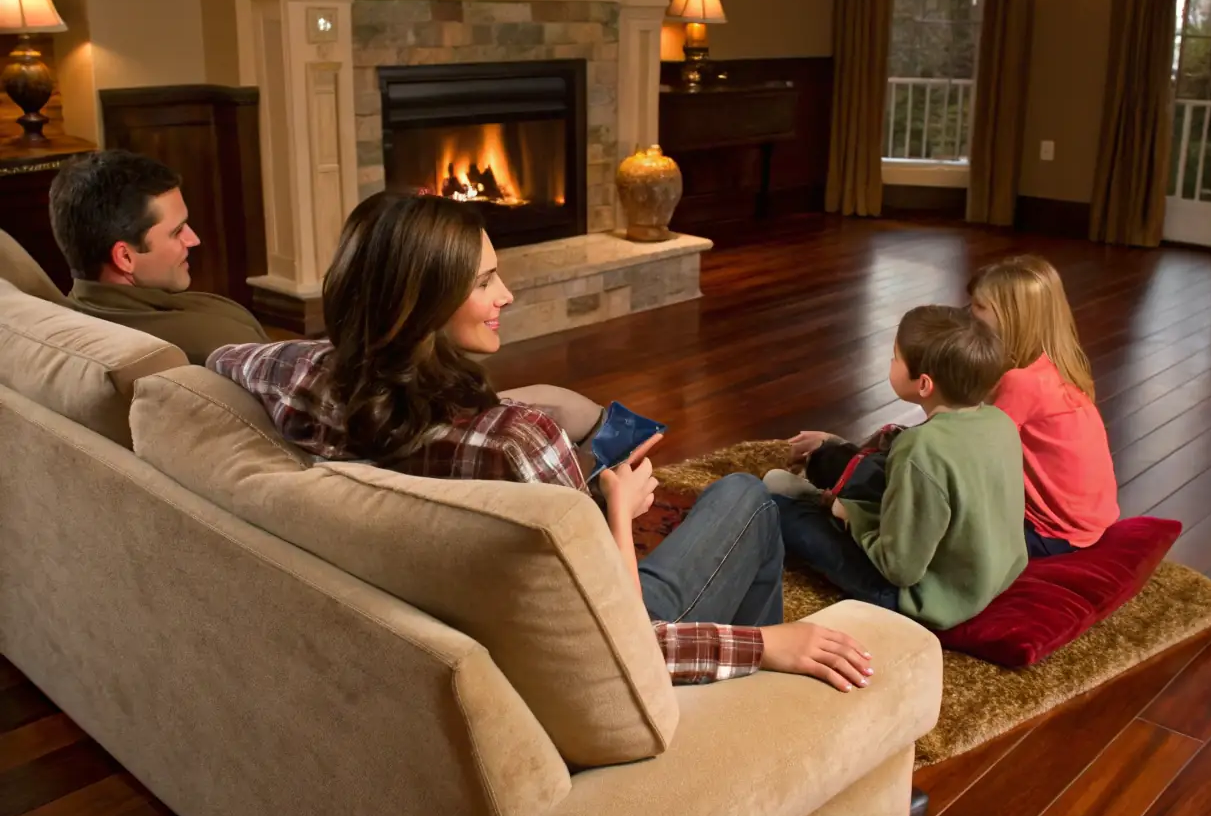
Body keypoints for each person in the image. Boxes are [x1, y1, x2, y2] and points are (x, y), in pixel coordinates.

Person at [209, 191, 874, 692]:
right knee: (743, 498)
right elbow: (616, 634)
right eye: (481, 283)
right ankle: (749, 704)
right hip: (606, 658)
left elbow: (217, 360)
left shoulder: (294, 372)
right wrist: (618, 513)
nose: (506, 292)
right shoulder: (518, 444)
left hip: (444, 602)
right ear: (421, 303)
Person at [770, 305, 1028, 632]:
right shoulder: (999, 421)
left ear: (923, 384)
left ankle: (809, 503)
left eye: (895, 357)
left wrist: (853, 519)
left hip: (923, 600)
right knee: (837, 486)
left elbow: (900, 568)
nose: (890, 362)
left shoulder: (922, 449)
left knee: (774, 508)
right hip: (992, 575)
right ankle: (820, 499)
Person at [48, 150, 268, 364]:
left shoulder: (61, 326)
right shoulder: (222, 343)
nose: (193, 239)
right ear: (125, 257)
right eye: (177, 231)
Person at [969, 255, 1120, 557]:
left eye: (979, 307)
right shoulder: (1059, 368)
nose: (969, 314)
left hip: (1053, 535)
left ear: (1013, 316)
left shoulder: (1021, 382)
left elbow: (970, 451)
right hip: (1091, 524)